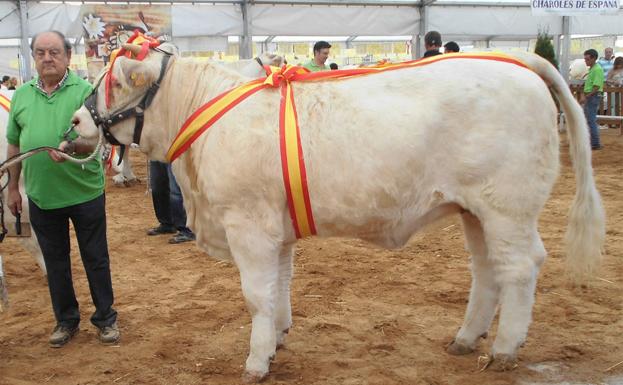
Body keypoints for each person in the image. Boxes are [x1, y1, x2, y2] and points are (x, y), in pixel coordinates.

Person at [5, 30, 119, 347]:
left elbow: (98, 141)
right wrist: (14, 188)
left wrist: (73, 148)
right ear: (34, 58)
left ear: (68, 55)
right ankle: (66, 320)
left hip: (85, 194)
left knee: (95, 258)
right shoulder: (22, 96)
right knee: (56, 262)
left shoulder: (85, 91)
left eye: (54, 52)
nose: (47, 58)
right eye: (40, 52)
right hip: (42, 196)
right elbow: (13, 144)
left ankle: (105, 318)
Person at [147, 161, 196, 244]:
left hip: (176, 150)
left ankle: (187, 229)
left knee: (176, 190)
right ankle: (167, 223)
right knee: (157, 187)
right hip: (157, 150)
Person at [580, 49, 604, 150]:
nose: (585, 61)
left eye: (587, 59)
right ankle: (593, 142)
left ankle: (595, 143)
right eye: (585, 59)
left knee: (591, 120)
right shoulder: (593, 68)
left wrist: (586, 96)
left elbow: (596, 87)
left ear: (594, 58)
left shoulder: (597, 69)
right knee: (590, 119)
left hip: (593, 96)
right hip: (592, 96)